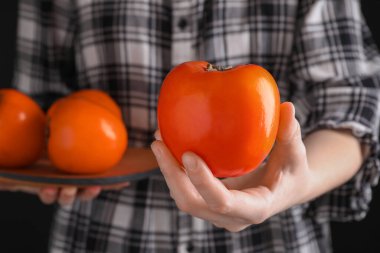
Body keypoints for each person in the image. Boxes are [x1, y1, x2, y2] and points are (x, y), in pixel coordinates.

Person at [2, 0, 380, 252]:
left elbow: (353, 100)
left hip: (275, 238)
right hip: (103, 235)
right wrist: (43, 164)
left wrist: (295, 183)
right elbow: (39, 104)